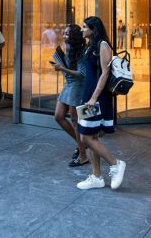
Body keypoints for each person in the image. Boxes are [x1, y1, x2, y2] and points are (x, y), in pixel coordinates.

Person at [75, 16, 127, 191]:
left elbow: (105, 73)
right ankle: (96, 176)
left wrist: (94, 97)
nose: (82, 29)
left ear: (93, 28)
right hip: (88, 95)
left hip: (96, 97)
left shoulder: (103, 45)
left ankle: (115, 164)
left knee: (86, 136)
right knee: (90, 135)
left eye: (84, 27)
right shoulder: (90, 45)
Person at [51, 24, 88, 167]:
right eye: (64, 33)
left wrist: (62, 68)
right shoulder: (68, 48)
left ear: (74, 36)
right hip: (68, 83)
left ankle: (83, 156)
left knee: (75, 120)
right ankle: (82, 144)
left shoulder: (81, 52)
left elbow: (82, 74)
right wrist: (60, 66)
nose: (64, 36)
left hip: (77, 86)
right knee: (58, 116)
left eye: (67, 34)